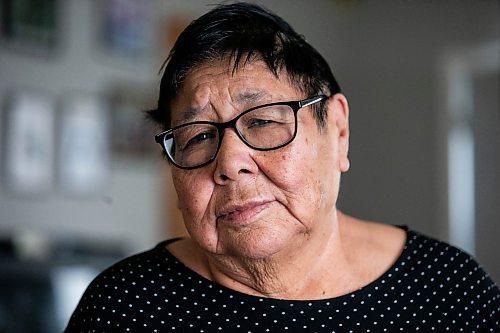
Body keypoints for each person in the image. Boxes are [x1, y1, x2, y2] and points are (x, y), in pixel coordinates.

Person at [65, 2, 500, 332]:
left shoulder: (449, 290)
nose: (231, 163)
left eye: (263, 122)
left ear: (339, 132)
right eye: (198, 136)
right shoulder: (124, 308)